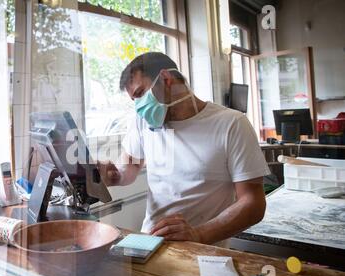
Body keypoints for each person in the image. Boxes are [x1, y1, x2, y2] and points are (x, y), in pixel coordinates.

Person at [98, 52, 271, 247]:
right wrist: (114, 176)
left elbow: (253, 203)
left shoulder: (231, 124)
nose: (139, 107)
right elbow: (128, 171)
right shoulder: (142, 123)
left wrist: (198, 234)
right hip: (150, 243)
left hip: (203, 248)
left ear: (166, 79)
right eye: (134, 101)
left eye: (140, 94)